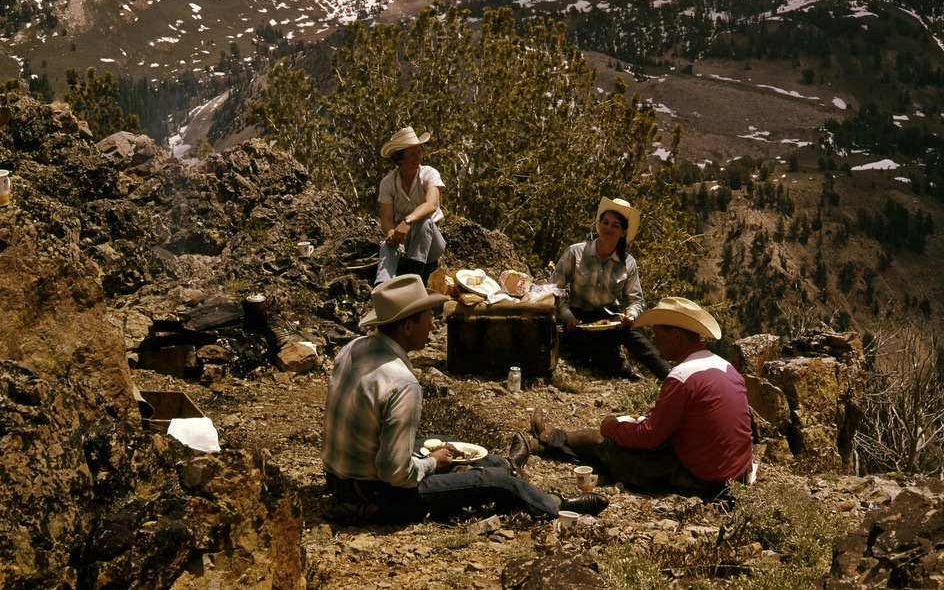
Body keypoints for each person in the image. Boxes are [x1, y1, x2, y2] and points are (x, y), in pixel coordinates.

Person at [321, 276, 609, 523]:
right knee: (492, 484)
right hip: (376, 495)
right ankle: (554, 505)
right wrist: (432, 464)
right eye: (427, 316)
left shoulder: (353, 347)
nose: (433, 325)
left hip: (339, 480)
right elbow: (395, 475)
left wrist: (434, 458)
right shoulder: (402, 383)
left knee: (443, 443)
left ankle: (506, 463)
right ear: (408, 327)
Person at [529, 297, 753, 500]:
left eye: (658, 333)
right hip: (736, 478)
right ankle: (552, 439)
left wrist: (611, 427)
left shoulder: (682, 376)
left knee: (608, 444)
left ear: (676, 336)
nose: (654, 341)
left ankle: (545, 443)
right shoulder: (727, 367)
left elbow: (650, 437)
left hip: (703, 482)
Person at [549, 197, 670, 380]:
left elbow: (635, 300)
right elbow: (553, 290)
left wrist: (630, 316)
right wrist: (567, 318)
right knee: (585, 342)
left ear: (623, 232)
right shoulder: (575, 253)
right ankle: (627, 372)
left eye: (615, 225)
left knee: (634, 336)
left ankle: (671, 376)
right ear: (598, 225)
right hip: (578, 319)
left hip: (609, 319)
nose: (608, 228)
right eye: (605, 222)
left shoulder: (628, 263)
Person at [375, 126, 447, 284]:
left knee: (425, 222)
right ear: (400, 159)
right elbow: (386, 218)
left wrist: (408, 221)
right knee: (387, 245)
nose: (418, 157)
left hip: (430, 242)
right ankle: (382, 286)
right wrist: (391, 234)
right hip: (405, 240)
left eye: (419, 152)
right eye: (412, 154)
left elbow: (432, 204)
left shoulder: (429, 174)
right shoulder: (388, 183)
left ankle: (414, 277)